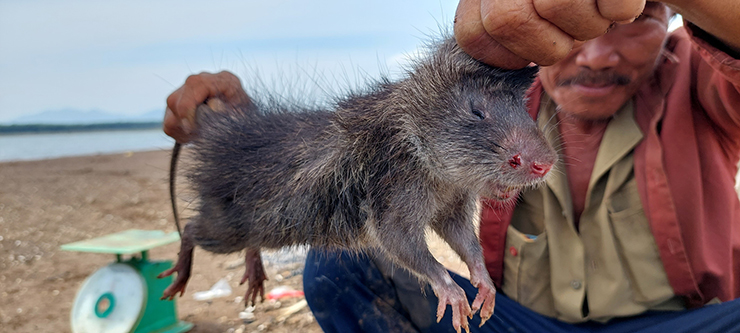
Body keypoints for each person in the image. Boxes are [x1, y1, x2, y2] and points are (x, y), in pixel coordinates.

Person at [163, 0, 740, 331]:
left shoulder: (704, 75)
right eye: (568, 24)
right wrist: (237, 124)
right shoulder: (492, 89)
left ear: (668, 18)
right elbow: (355, 136)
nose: (590, 51)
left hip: (679, 325)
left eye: (630, 19)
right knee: (341, 267)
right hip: (514, 326)